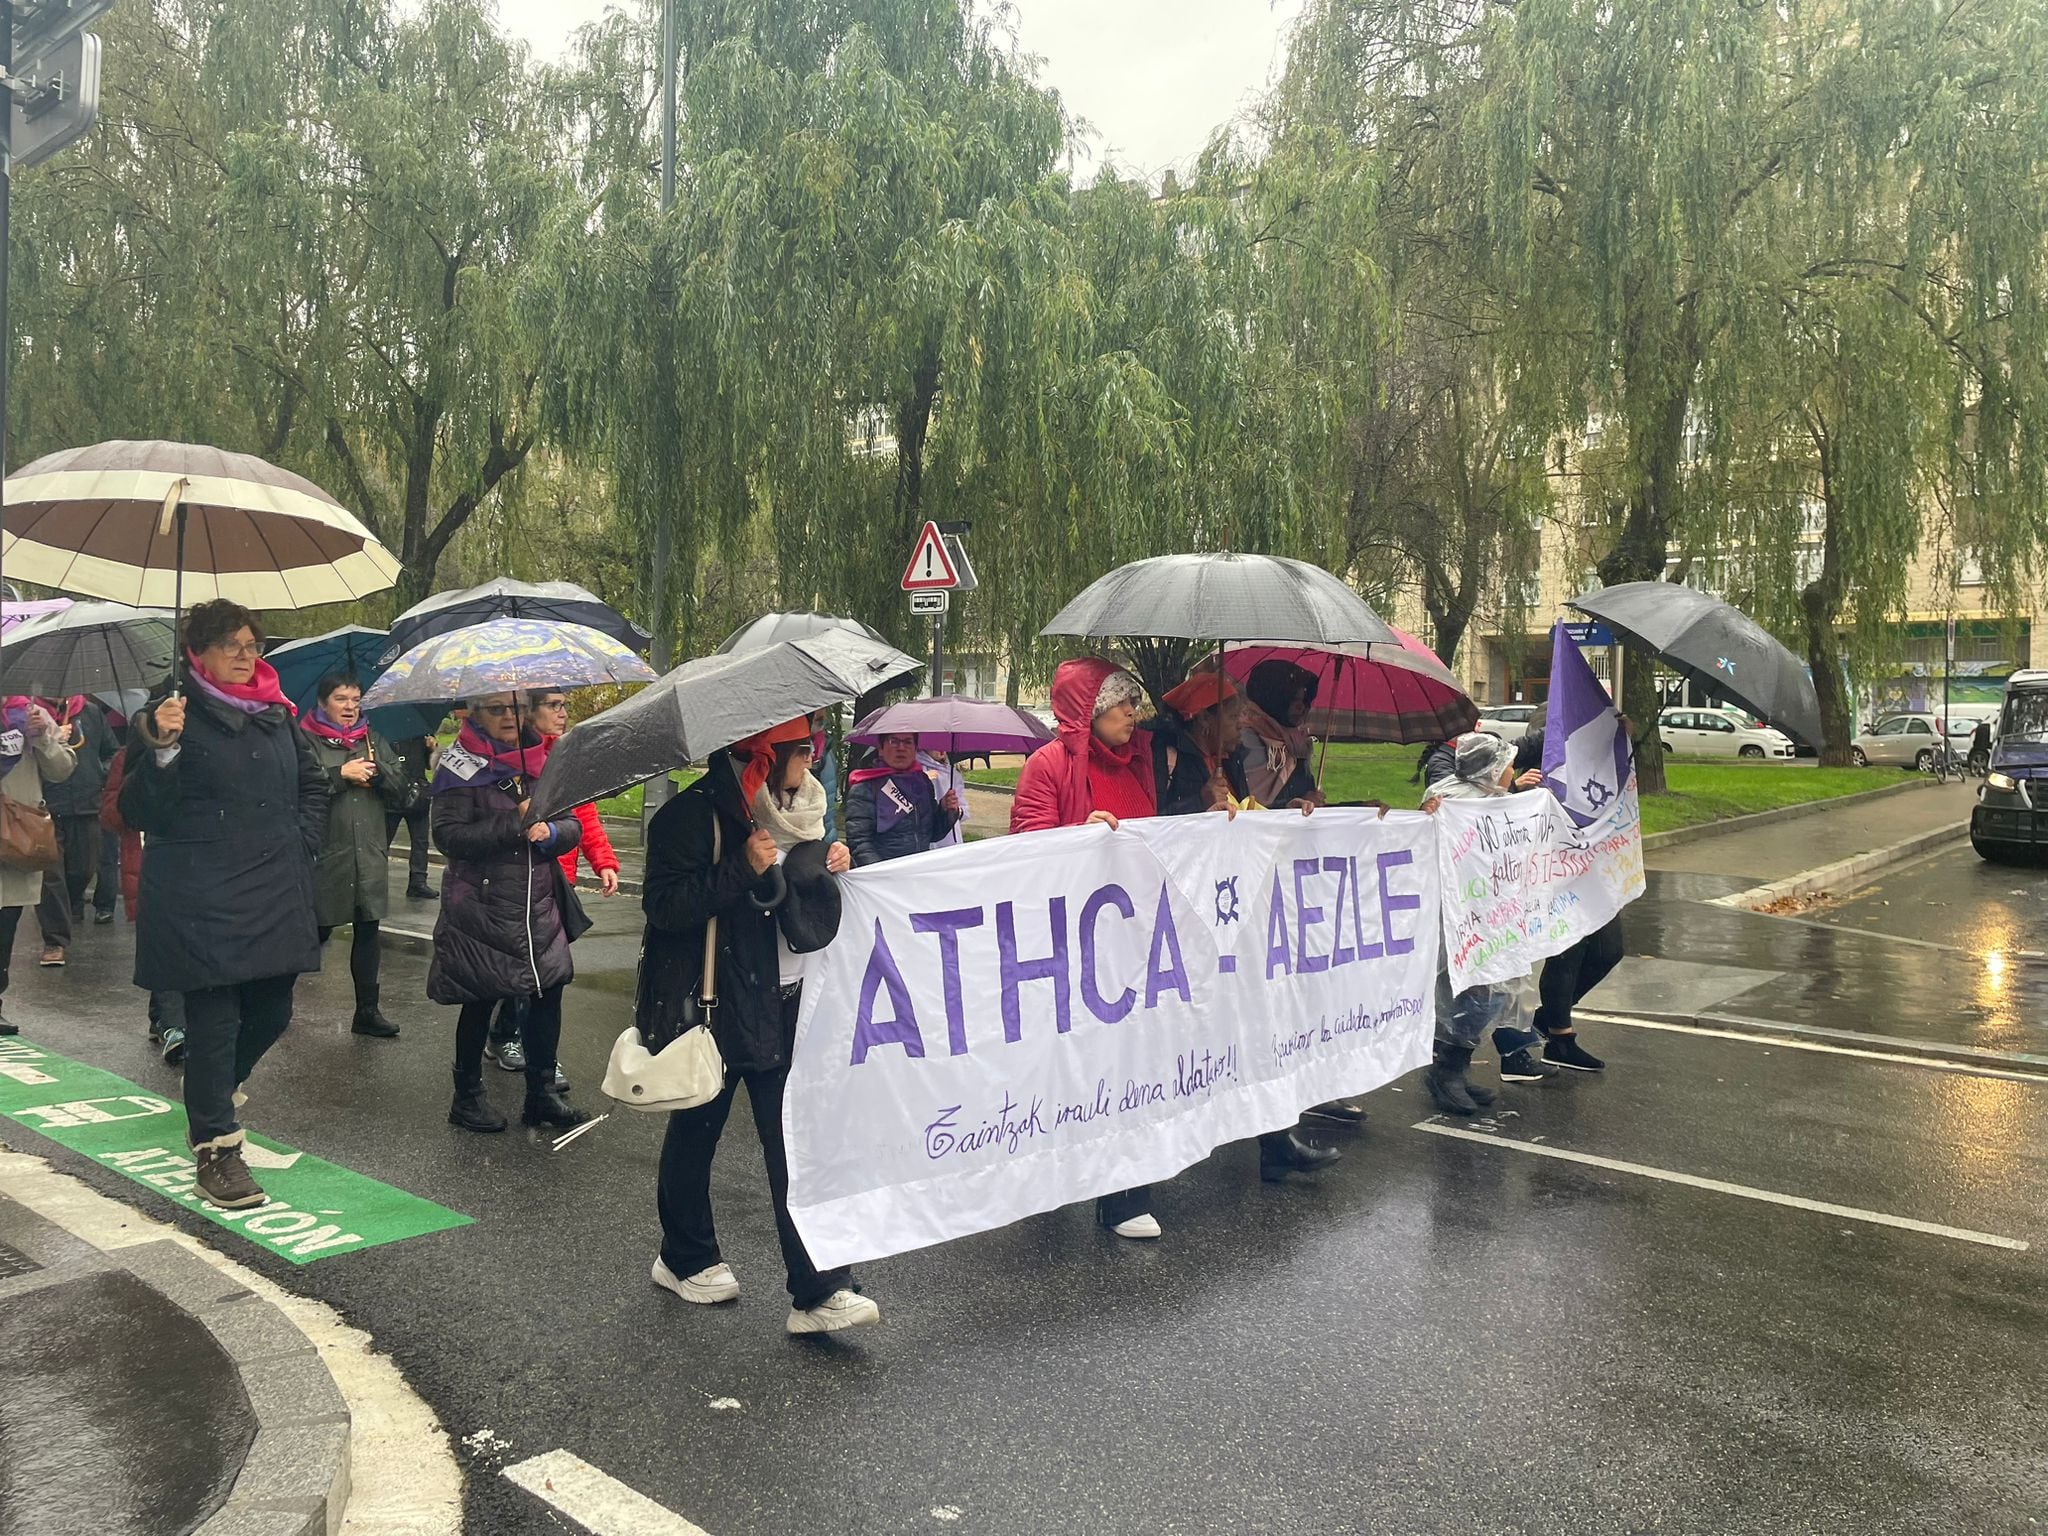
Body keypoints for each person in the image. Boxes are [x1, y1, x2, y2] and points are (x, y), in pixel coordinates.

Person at [643, 718, 880, 1335]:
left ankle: (819, 1289)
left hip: (785, 1002)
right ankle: (684, 1255)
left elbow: (797, 904)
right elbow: (664, 908)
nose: (813, 760)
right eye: (803, 750)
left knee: (794, 1145)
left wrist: (830, 866)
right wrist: (739, 869)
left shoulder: (801, 812)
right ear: (764, 755)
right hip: (716, 1005)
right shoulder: (690, 817)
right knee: (697, 1129)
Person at [119, 600, 326, 1210]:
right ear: (198, 652)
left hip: (274, 882)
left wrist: (302, 841)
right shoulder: (168, 715)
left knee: (274, 1009)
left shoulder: (275, 712)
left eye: (252, 644)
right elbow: (138, 812)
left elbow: (312, 783)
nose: (246, 655)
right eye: (232, 644)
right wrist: (162, 750)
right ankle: (215, 1147)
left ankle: (211, 1091)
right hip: (199, 889)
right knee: (215, 1019)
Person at [1151, 670, 1343, 1183]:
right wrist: (1199, 805)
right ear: (1205, 719)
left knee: (1261, 1020)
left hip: (1233, 913)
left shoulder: (1229, 758)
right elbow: (1156, 826)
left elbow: (1249, 817)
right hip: (1184, 921)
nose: (1242, 724)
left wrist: (1293, 811)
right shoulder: (1166, 758)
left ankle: (1276, 1138)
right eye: (1233, 716)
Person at [1011, 657, 1164, 1239]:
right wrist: (1079, 838)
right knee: (1069, 1069)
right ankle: (1044, 1171)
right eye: (1121, 702)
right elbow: (1025, 849)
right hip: (1067, 946)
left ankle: (1124, 1195)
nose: (1133, 712)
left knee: (1129, 1063)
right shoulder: (1047, 766)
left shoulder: (1140, 761)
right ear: (1091, 711)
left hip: (1127, 942)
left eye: (1133, 702)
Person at [429, 693, 590, 1134]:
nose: (508, 717)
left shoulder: (541, 758)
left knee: (547, 994)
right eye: (496, 709)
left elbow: (572, 824)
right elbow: (448, 837)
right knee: (480, 998)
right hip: (482, 905)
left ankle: (541, 1095)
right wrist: (513, 825)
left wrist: (551, 831)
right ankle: (467, 1097)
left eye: (515, 708)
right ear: (475, 712)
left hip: (537, 903)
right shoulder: (458, 765)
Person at [486, 688, 618, 1086]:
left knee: (545, 974)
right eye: (554, 706)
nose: (563, 713)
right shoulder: (509, 760)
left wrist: (604, 861)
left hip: (559, 881)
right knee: (530, 969)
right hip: (519, 881)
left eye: (564, 705)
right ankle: (514, 1041)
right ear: (530, 712)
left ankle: (518, 1043)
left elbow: (586, 815)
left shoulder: (564, 757)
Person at [1420, 733, 1544, 1114]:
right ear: (1492, 769)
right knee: (1467, 997)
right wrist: (1431, 810)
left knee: (1491, 996)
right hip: (1461, 921)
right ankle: (1446, 1072)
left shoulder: (1495, 800)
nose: (1512, 771)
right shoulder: (1453, 801)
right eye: (1507, 764)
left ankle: (1455, 1066)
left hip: (1491, 920)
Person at [303, 673, 415, 1039]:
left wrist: (379, 774)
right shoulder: (303, 739)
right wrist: (340, 774)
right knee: (312, 930)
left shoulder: (372, 739)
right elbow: (292, 785)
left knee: (369, 927)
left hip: (367, 851)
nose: (350, 707)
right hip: (325, 852)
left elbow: (401, 786)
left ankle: (367, 1011)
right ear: (322, 703)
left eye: (355, 699)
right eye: (341, 699)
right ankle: (269, 997)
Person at [1510, 713, 1611, 1075]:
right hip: (1550, 866)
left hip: (1592, 863)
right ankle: (1560, 1036)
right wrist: (1517, 787)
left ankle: (1547, 1019)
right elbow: (1493, 776)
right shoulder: (1546, 742)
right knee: (1570, 949)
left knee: (1609, 948)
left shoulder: (1606, 749)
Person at [100, 747, 185, 1059]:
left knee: (182, 944)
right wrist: (138, 795)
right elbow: (111, 814)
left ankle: (161, 1017)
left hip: (201, 864)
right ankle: (175, 1025)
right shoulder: (130, 755)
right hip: (153, 865)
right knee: (166, 942)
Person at [0, 696, 76, 1034]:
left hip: (17, 837)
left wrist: (43, 736)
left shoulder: (30, 713)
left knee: (4, 930)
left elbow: (62, 770)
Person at [33, 695, 112, 965]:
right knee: (51, 876)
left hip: (86, 804)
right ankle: (54, 942)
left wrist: (100, 775)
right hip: (45, 807)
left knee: (83, 869)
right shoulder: (31, 715)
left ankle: (67, 907)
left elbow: (109, 751)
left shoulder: (90, 712)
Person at [844, 731, 962, 864]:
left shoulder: (922, 783)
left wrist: (945, 811)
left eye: (908, 742)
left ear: (915, 748)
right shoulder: (865, 788)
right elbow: (859, 843)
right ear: (881, 749)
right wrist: (883, 873)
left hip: (917, 871)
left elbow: (932, 834)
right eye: (893, 741)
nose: (901, 748)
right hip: (883, 875)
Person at [1238, 659, 1326, 810]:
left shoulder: (1298, 743)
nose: (1301, 708)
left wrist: (1360, 807)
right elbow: (1245, 805)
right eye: (1292, 700)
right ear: (1271, 697)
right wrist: (1290, 805)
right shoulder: (1244, 739)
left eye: (1306, 701)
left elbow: (1305, 796)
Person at [387, 728, 439, 901]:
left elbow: (429, 765)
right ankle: (375, 881)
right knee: (382, 841)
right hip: (392, 795)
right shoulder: (385, 734)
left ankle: (418, 881)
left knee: (420, 841)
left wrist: (430, 749)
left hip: (418, 795)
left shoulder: (420, 733)